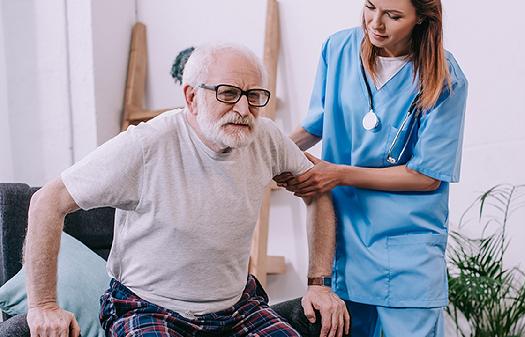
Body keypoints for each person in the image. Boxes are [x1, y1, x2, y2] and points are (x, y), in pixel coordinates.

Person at [24, 44, 349, 337]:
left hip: (238, 307)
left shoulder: (265, 137)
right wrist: (44, 305)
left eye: (254, 96)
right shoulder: (145, 145)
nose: (244, 108)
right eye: (227, 93)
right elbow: (46, 202)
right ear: (192, 97)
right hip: (148, 308)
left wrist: (319, 284)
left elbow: (318, 190)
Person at [275, 0, 468, 336]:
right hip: (346, 247)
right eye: (370, 7)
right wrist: (264, 155)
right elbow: (314, 125)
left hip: (408, 256)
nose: (376, 23)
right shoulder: (338, 49)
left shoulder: (444, 77)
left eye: (393, 16)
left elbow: (425, 177)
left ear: (422, 19)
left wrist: (338, 173)